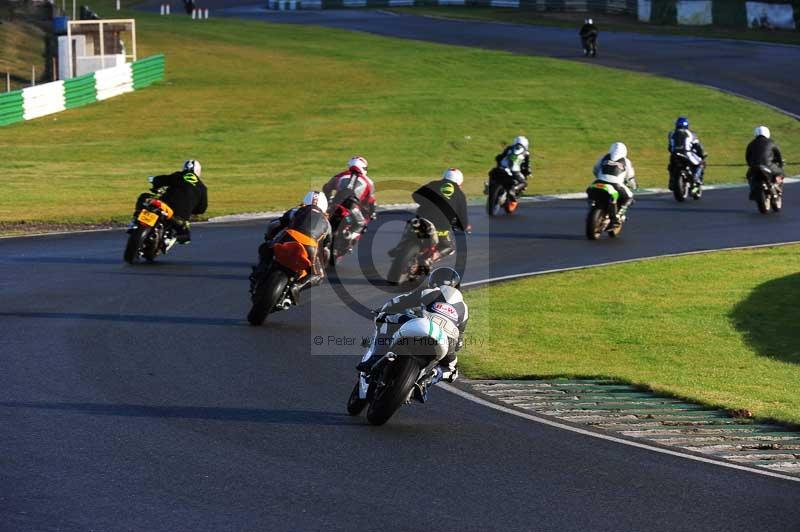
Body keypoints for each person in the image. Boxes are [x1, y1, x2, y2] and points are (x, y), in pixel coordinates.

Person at [356, 267, 467, 386]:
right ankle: (431, 377)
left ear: (433, 281)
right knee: (452, 370)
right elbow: (459, 343)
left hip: (422, 326)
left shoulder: (430, 291)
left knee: (385, 318)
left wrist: (380, 311)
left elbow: (398, 302)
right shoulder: (464, 309)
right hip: (446, 341)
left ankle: (374, 358)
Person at [256, 191, 332, 302]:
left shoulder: (295, 211)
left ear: (304, 201)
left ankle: (260, 270)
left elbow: (274, 225)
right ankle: (298, 286)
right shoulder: (327, 224)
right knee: (319, 276)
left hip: (289, 238)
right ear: (324, 207)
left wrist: (269, 238)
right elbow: (326, 247)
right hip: (310, 247)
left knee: (265, 247)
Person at [391, 168, 469, 262]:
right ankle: (431, 258)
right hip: (441, 227)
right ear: (460, 182)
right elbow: (463, 219)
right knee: (449, 247)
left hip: (422, 219)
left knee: (410, 228)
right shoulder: (460, 194)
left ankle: (399, 248)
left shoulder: (433, 184)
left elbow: (416, 195)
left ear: (444, 176)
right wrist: (465, 227)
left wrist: (428, 203)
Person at [130, 160, 208, 244]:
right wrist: (191, 208)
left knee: (144, 196)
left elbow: (160, 180)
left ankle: (134, 221)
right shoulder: (202, 188)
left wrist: (155, 182)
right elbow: (201, 209)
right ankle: (167, 238)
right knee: (185, 235)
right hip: (180, 216)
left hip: (166, 206)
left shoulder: (178, 175)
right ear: (198, 172)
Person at [591, 142, 637, 228]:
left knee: (591, 193)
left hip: (598, 183)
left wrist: (600, 177)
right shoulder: (626, 161)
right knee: (629, 197)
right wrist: (633, 185)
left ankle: (593, 204)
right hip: (616, 185)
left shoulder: (603, 158)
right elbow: (630, 177)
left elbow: (595, 169)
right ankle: (617, 216)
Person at [322, 155, 377, 223]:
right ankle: (352, 233)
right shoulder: (368, 181)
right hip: (352, 205)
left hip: (337, 201)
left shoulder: (340, 175)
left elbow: (327, 187)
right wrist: (372, 213)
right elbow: (372, 200)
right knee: (360, 222)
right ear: (363, 168)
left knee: (324, 215)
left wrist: (328, 199)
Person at [491, 135, 531, 210]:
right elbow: (527, 165)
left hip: (501, 168)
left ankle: (490, 185)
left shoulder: (509, 148)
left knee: (493, 173)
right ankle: (513, 190)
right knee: (524, 183)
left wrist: (499, 160)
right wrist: (528, 171)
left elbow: (500, 157)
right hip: (514, 171)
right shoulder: (526, 153)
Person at [746, 126, 785, 199]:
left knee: (749, 176)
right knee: (781, 172)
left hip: (754, 166)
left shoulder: (751, 144)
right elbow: (778, 155)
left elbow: (747, 157)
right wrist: (781, 164)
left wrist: (750, 165)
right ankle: (777, 186)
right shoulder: (772, 142)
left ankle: (752, 190)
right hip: (768, 166)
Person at [668, 116, 707, 189]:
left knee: (671, 167)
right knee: (700, 163)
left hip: (674, 155)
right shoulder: (691, 133)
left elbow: (670, 147)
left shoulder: (671, 134)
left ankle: (671, 181)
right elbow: (697, 145)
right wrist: (702, 154)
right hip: (687, 153)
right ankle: (696, 179)